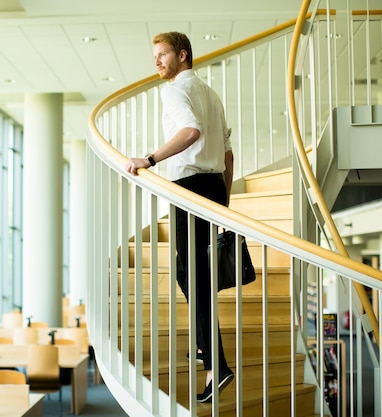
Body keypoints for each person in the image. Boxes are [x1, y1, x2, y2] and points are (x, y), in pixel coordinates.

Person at [125, 31, 235, 403]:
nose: (156, 61)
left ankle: (216, 367)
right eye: (154, 55)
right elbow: (228, 154)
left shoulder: (174, 90)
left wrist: (149, 159)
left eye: (162, 54)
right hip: (213, 186)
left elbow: (191, 131)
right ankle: (206, 348)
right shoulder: (211, 94)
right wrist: (226, 201)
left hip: (188, 187)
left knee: (194, 275)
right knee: (188, 272)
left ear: (183, 55)